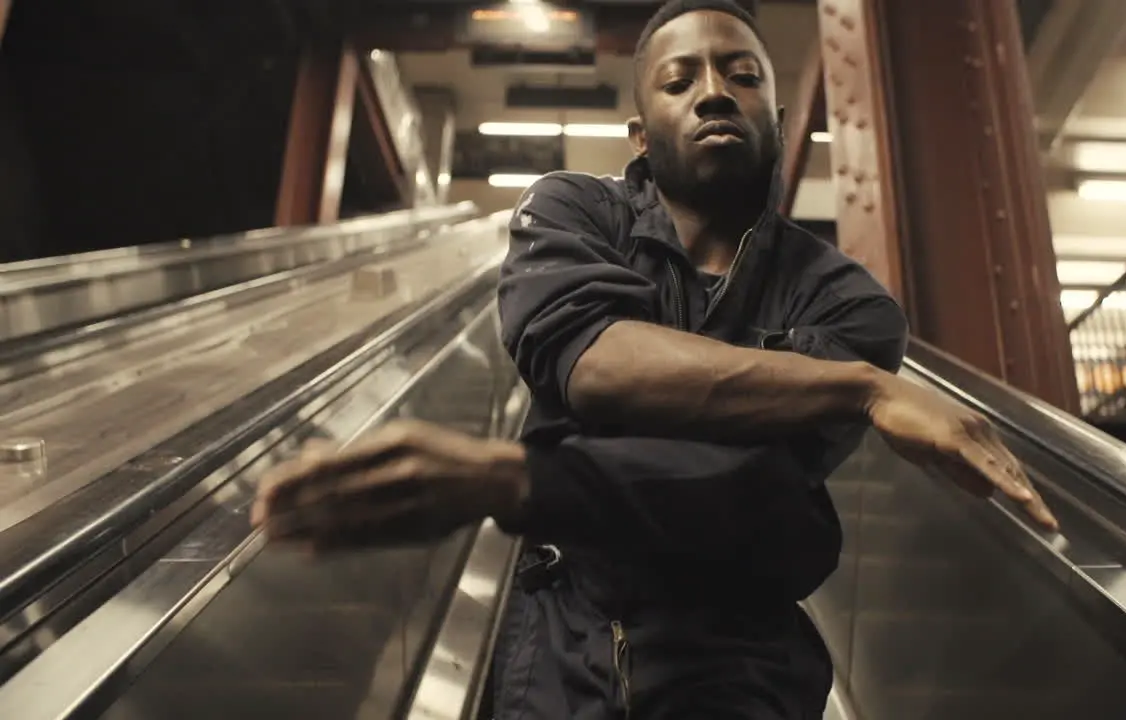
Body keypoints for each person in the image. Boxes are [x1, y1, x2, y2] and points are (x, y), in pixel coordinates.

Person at [250, 1, 1058, 717]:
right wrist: (858, 389)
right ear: (640, 136)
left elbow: (755, 489)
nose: (712, 91)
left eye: (741, 76)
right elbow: (594, 362)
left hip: (743, 666)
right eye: (680, 81)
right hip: (561, 649)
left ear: (777, 118)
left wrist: (516, 480)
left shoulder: (850, 304)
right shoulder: (570, 211)